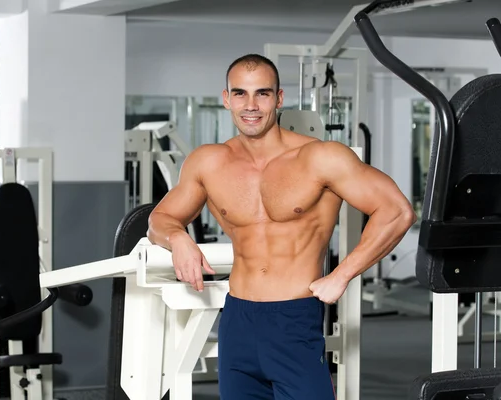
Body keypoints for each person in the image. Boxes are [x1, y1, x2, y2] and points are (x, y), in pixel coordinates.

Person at [147, 53, 416, 399]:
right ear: (226, 98)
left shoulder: (320, 157)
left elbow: (396, 211)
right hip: (237, 318)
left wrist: (343, 274)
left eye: (262, 93)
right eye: (240, 93)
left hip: (293, 316)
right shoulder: (208, 162)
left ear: (279, 98)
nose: (251, 105)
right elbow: (160, 218)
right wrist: (177, 237)